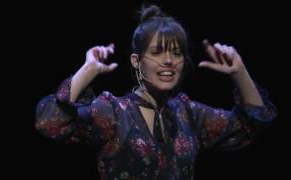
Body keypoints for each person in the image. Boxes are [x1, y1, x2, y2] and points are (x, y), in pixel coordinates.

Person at [35, 5, 277, 180]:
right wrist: (88, 70)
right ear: (136, 61)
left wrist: (240, 72)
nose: (169, 61)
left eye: (177, 53)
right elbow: (49, 123)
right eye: (158, 52)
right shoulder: (114, 112)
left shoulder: (188, 114)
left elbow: (250, 126)